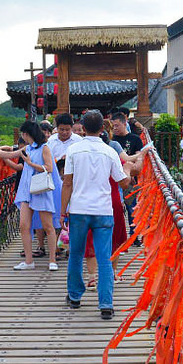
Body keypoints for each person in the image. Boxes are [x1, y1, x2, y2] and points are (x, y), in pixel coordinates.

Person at [61, 111, 132, 319]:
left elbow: (67, 182)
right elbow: (123, 182)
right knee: (104, 258)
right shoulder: (109, 152)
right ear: (103, 128)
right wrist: (128, 168)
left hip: (79, 209)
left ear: (82, 127)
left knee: (75, 254)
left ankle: (75, 297)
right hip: (103, 211)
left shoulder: (73, 150)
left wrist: (63, 210)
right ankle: (106, 304)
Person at [0, 120, 58, 271]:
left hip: (40, 189)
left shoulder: (44, 148)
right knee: (24, 225)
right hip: (27, 190)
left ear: (27, 134)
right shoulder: (28, 148)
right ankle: (29, 261)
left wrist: (30, 163)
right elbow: (10, 154)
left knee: (48, 226)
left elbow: (49, 168)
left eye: (23, 134)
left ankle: (52, 260)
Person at [110, 111, 144, 243]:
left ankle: (134, 235)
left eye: (117, 125)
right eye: (113, 126)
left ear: (124, 124)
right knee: (118, 207)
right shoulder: (112, 141)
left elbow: (139, 157)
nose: (115, 129)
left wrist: (134, 172)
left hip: (131, 177)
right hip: (115, 178)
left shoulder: (135, 139)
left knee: (132, 207)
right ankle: (118, 238)